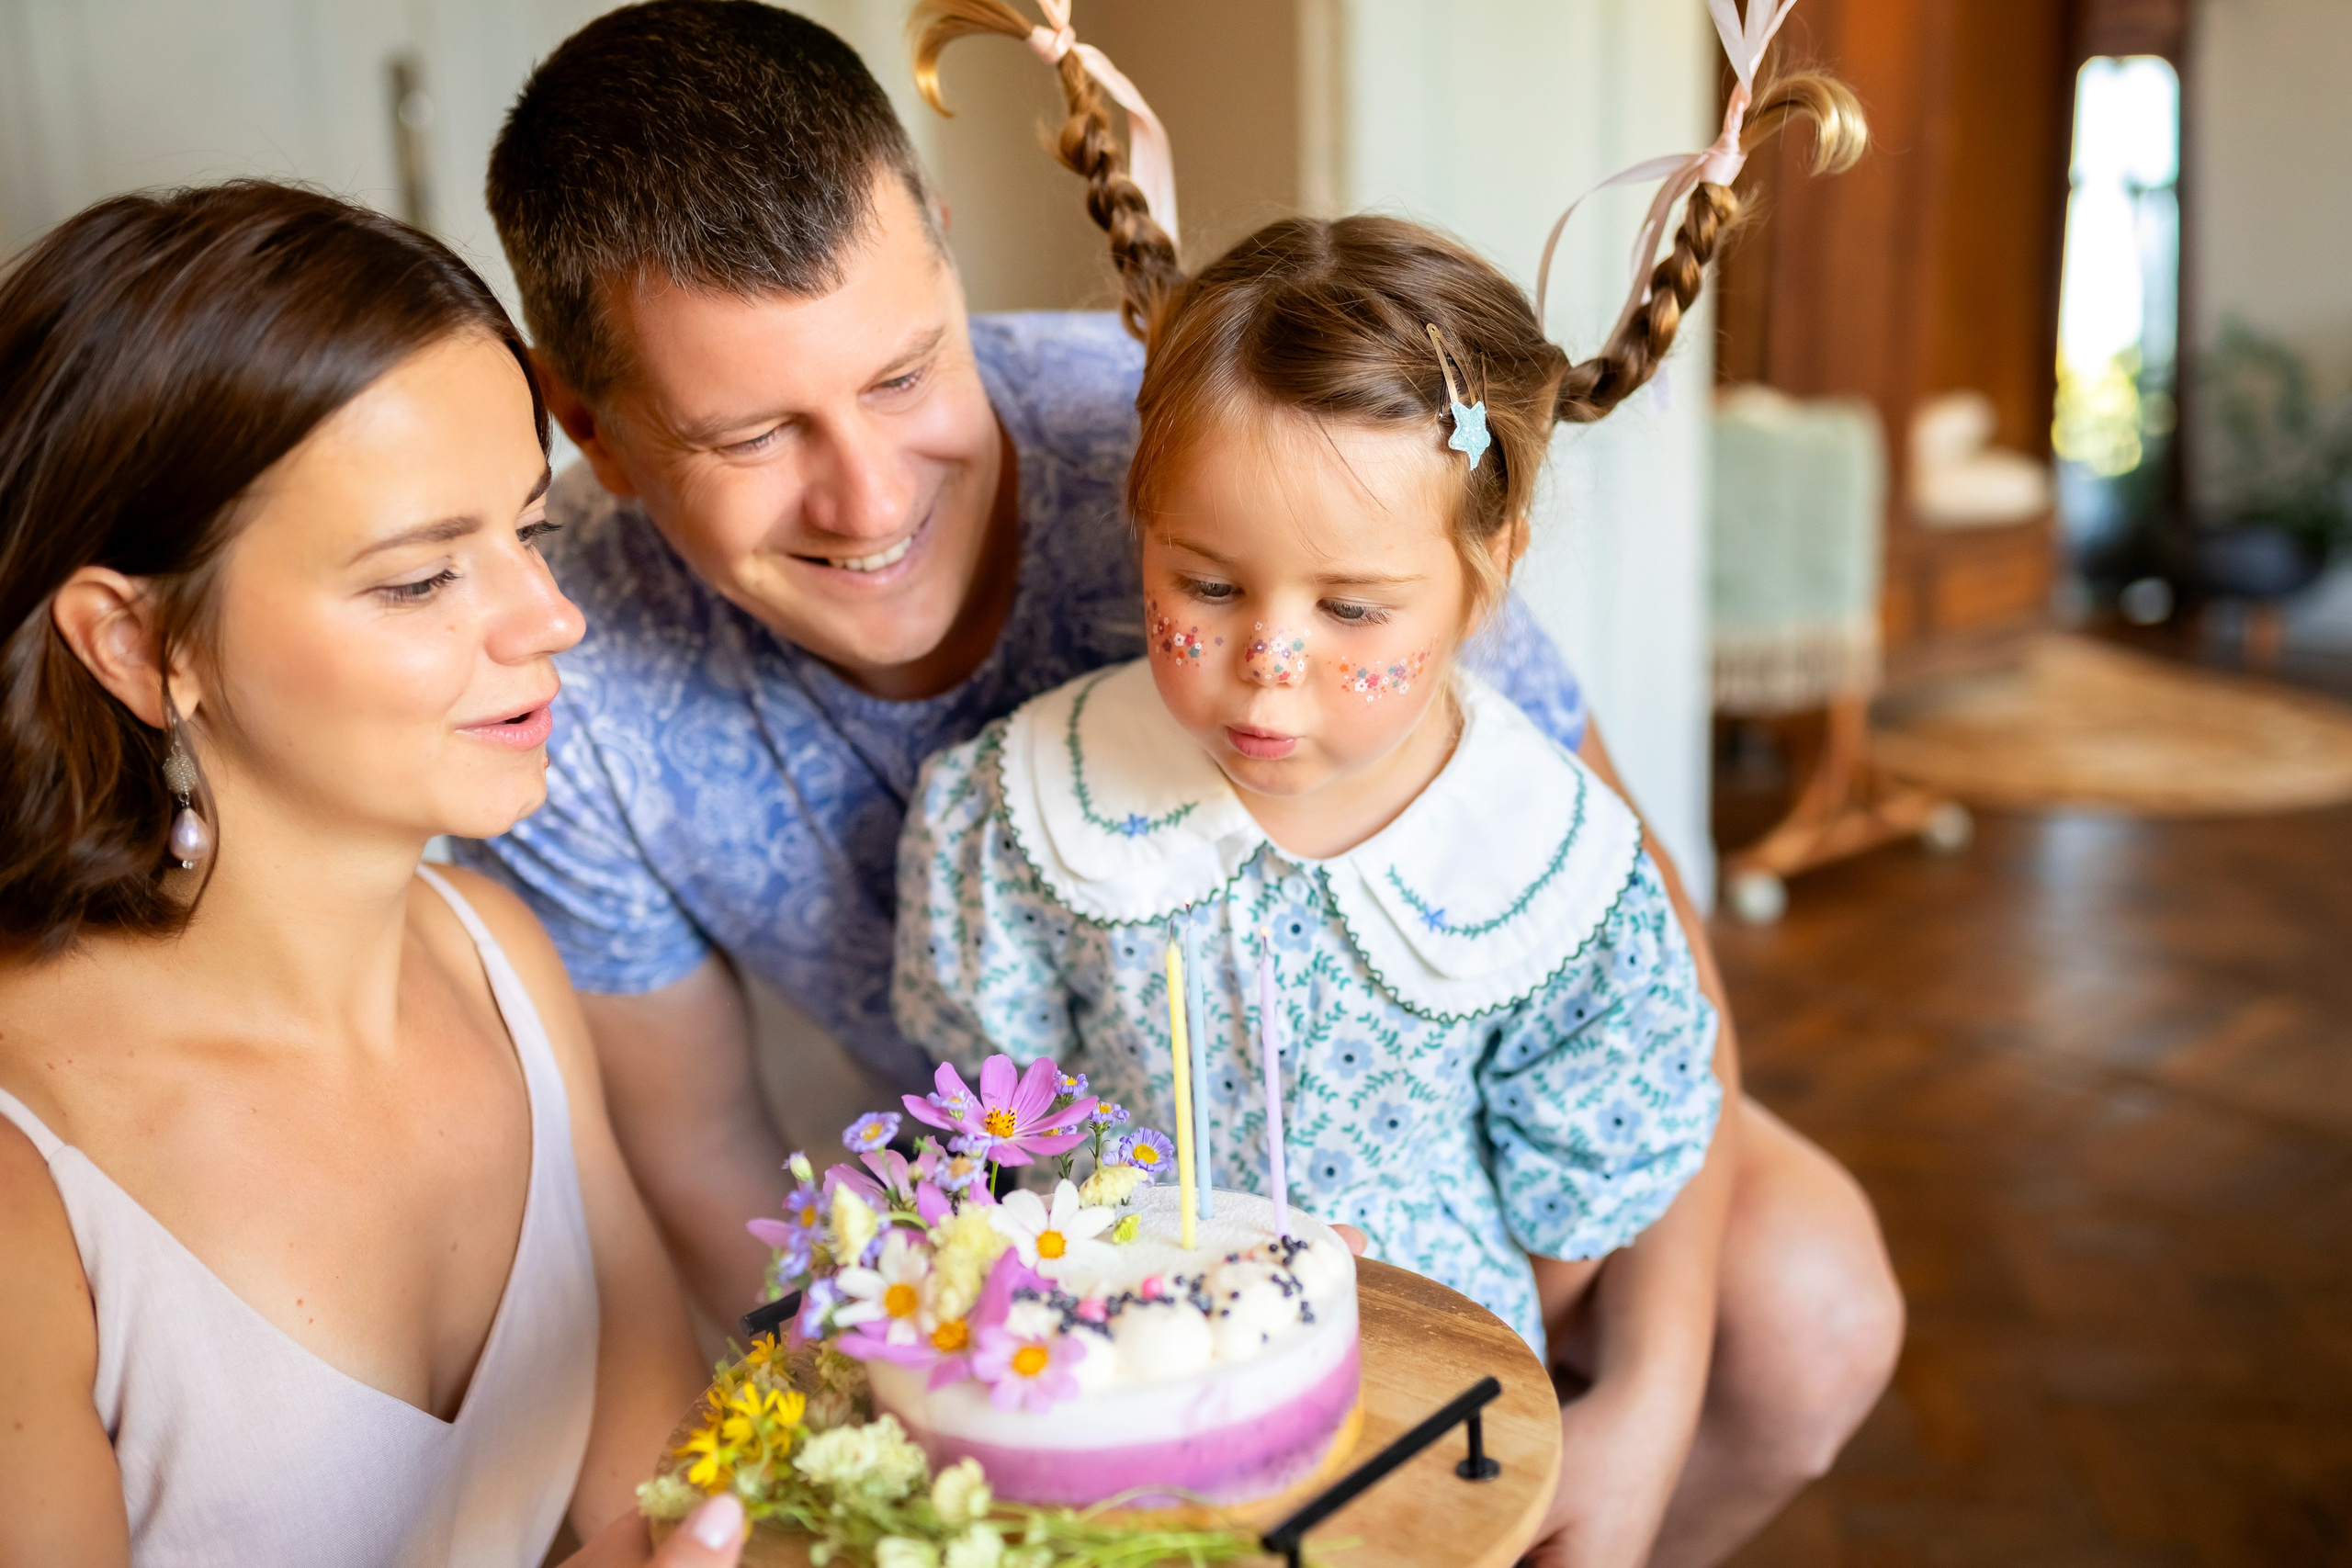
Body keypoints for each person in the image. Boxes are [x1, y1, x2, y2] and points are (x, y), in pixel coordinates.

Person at [464, 3, 1903, 1562]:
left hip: (1470, 1147)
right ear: (585, 425)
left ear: (945, 256)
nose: (869, 498)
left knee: (1805, 1305)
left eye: (901, 374)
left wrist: (1648, 1405)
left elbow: (1619, 945)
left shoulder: (1253, 451)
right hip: (1075, 1227)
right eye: (751, 432)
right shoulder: (579, 688)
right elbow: (698, 1138)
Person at [887, 11, 1875, 1567]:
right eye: (1203, 582)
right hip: (1123, 1416)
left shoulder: (1549, 866)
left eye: (1354, 611)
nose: (1267, 661)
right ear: (1137, 520)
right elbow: (995, 1141)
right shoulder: (1026, 819)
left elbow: (1588, 1206)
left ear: (1489, 577)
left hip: (1437, 1413)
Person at [0, 182, 740, 1568]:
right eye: (418, 581)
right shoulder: (26, 1175)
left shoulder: (498, 959)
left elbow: (668, 1518)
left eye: (528, 530)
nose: (552, 617)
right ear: (138, 644)